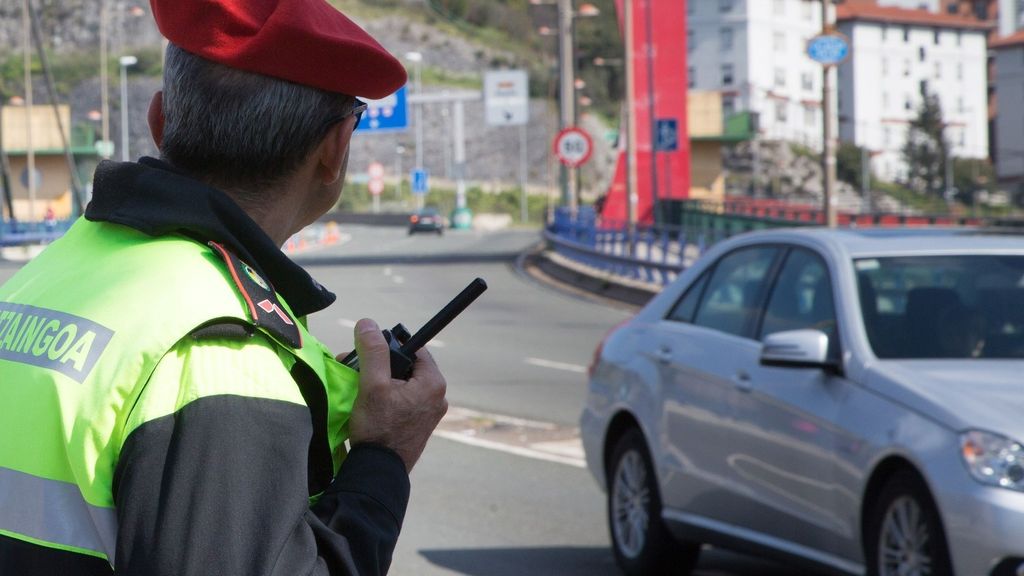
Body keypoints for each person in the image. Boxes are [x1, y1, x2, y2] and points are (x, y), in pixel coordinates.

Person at [0, 1, 449, 575]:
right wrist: (382, 458)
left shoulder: (52, 271)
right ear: (335, 149)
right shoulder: (220, 346)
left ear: (159, 121)